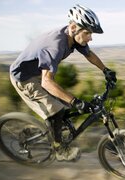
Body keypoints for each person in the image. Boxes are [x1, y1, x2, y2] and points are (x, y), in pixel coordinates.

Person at [10, 4, 117, 161]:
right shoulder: (55, 46)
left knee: (65, 107)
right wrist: (76, 101)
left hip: (38, 74)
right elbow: (47, 82)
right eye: (87, 33)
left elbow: (89, 55)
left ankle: (37, 131)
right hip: (24, 78)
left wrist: (105, 70)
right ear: (73, 27)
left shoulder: (73, 37)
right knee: (56, 110)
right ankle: (59, 150)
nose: (90, 38)